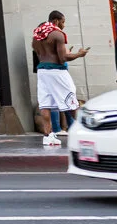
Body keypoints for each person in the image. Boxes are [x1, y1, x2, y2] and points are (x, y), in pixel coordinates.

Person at [33, 9, 89, 147]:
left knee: (45, 104)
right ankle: (81, 131)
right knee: (71, 99)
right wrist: (78, 54)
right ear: (56, 21)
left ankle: (48, 136)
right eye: (63, 22)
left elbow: (43, 53)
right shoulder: (58, 34)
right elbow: (63, 57)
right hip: (57, 71)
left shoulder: (37, 36)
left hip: (42, 71)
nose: (63, 25)